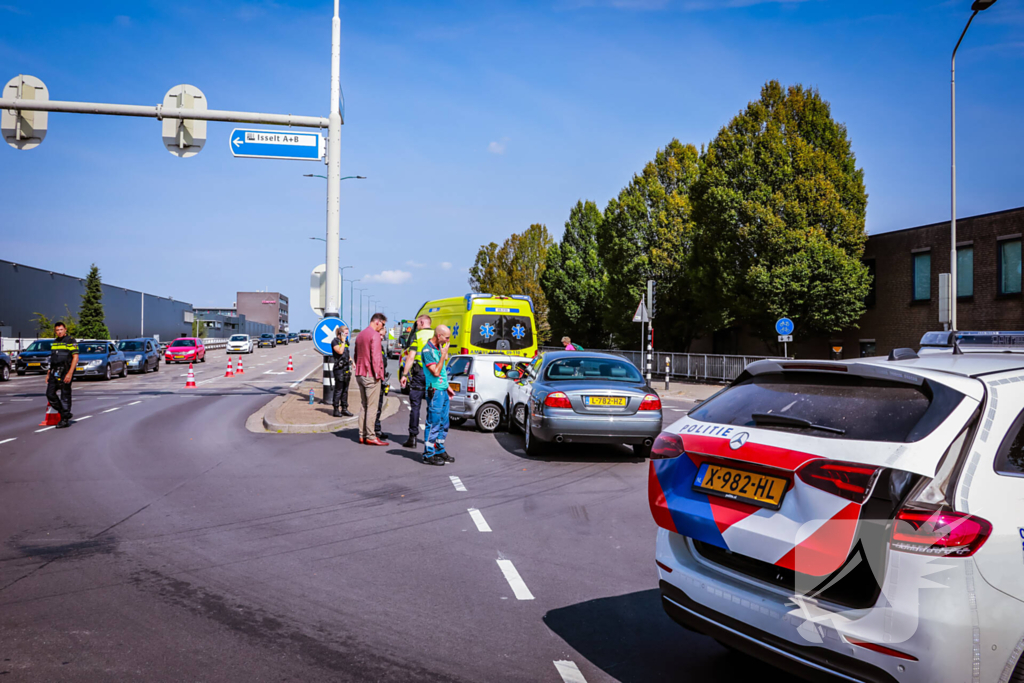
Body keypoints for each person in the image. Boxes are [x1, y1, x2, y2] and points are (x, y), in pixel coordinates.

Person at [353, 312, 389, 446]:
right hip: (371, 375)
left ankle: (362, 434)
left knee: (363, 405)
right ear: (377, 322)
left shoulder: (360, 334)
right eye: (383, 324)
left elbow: (356, 355)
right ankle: (371, 435)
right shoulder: (374, 335)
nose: (383, 328)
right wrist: (379, 375)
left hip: (360, 373)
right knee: (372, 407)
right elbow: (376, 357)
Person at [421, 324, 453, 466]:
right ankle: (429, 454)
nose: (448, 341)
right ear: (439, 336)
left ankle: (439, 449)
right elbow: (436, 372)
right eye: (446, 338)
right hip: (434, 391)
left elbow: (443, 372)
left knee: (444, 422)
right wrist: (443, 356)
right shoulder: (427, 350)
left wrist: (448, 387)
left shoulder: (439, 348)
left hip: (443, 390)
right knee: (433, 422)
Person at [399, 315, 433, 449]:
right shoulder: (437, 335)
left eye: (417, 323)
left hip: (419, 374)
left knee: (415, 407)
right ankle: (431, 439)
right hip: (433, 375)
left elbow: (411, 357)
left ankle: (412, 438)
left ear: (422, 322)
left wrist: (404, 374)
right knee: (432, 407)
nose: (416, 325)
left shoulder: (417, 336)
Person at [46, 322, 78, 429]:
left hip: (65, 370)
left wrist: (70, 373)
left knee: (65, 395)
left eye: (61, 329)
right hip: (55, 370)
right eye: (57, 330)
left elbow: (75, 358)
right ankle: (64, 413)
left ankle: (64, 420)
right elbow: (53, 359)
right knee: (50, 394)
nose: (59, 332)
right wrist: (49, 372)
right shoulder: (55, 342)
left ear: (65, 330)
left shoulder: (71, 341)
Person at [331, 325, 353, 418]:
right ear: (340, 333)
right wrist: (343, 341)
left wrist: (352, 361)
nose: (347, 335)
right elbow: (340, 351)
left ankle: (344, 408)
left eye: (348, 333)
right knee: (339, 390)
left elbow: (346, 353)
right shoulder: (335, 341)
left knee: (345, 390)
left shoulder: (346, 342)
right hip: (339, 369)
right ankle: (336, 409)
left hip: (346, 368)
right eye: (346, 333)